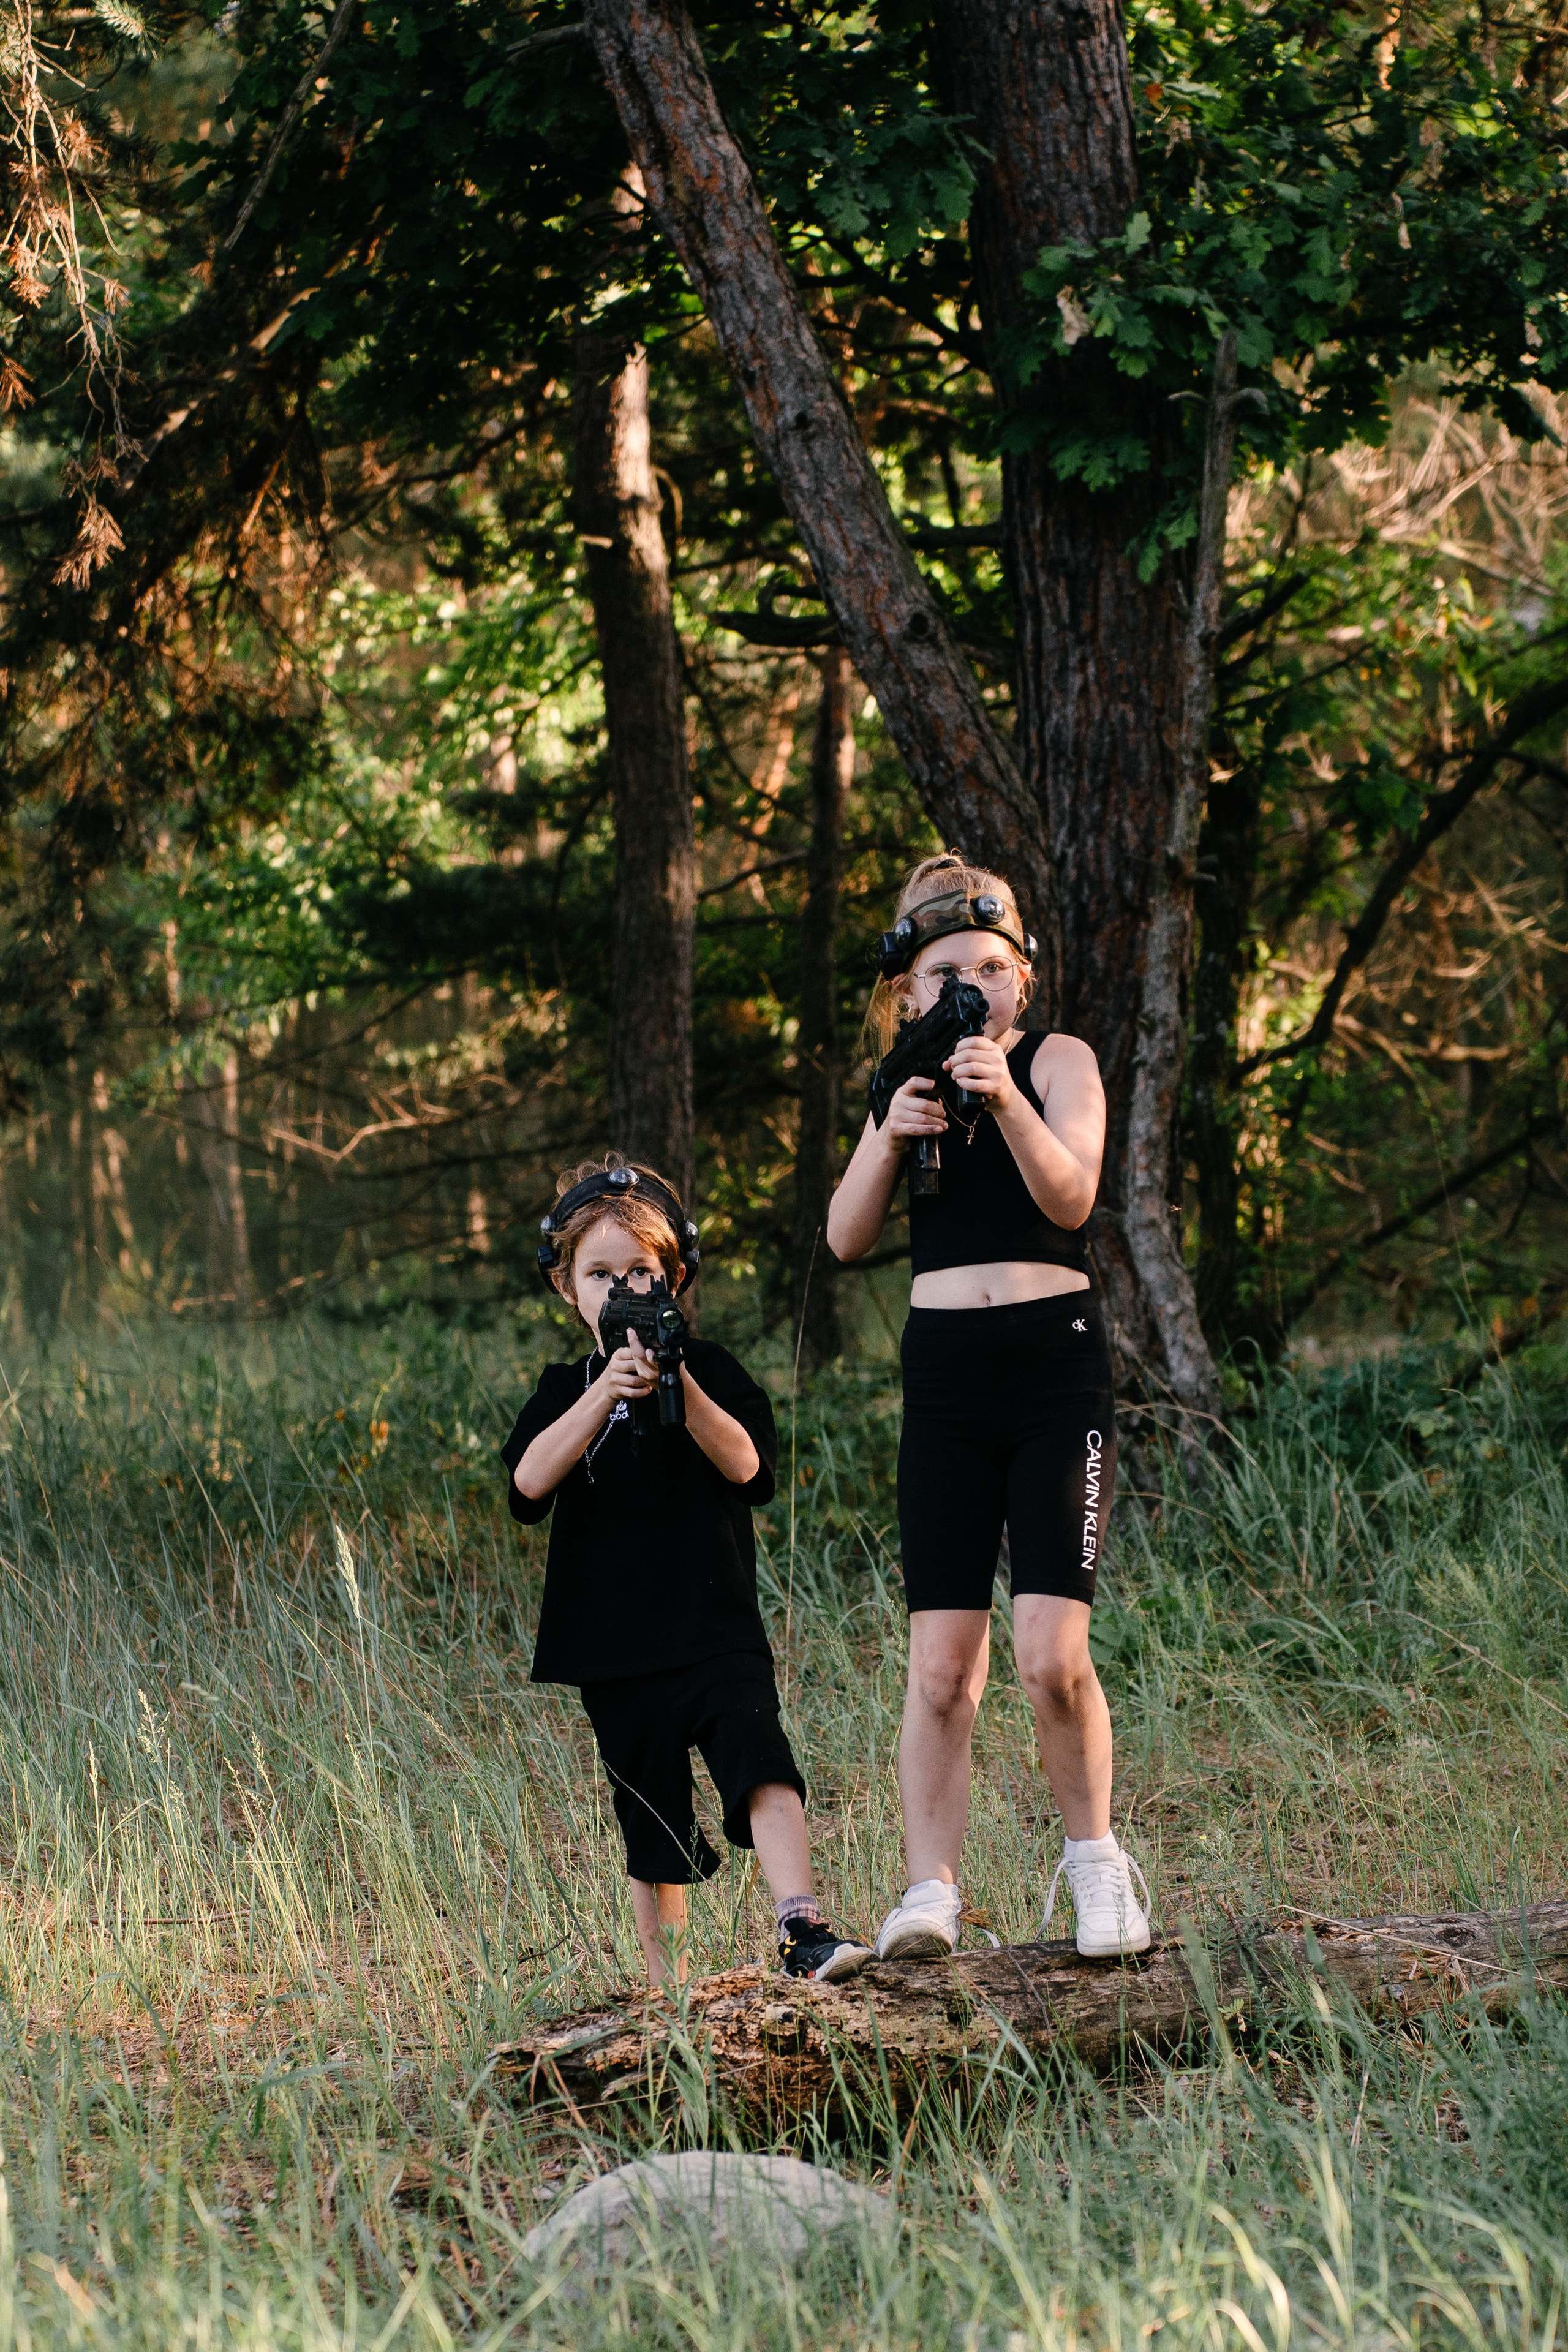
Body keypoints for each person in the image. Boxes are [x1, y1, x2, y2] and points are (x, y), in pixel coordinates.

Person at [826, 854, 1152, 1962]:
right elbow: (844, 1238)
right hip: (947, 1377)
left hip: (1055, 1370)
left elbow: (1072, 1194)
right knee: (941, 1667)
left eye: (992, 970)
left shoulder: (1056, 1061)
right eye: (946, 972)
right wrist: (893, 1126)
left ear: (1023, 980)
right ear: (909, 993)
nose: (971, 988)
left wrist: (1001, 1090)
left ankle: (1097, 1865)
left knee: (1050, 1656)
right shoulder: (898, 1085)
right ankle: (930, 1891)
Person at [502, 1155, 870, 1987]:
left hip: (713, 1628)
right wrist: (605, 1395)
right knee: (650, 1815)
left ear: (674, 1277)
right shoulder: (565, 1388)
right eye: (600, 1275)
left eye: (641, 1272)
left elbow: (749, 1468)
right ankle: (661, 1986)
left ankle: (802, 1926)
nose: (622, 1291)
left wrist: (678, 1381)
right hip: (614, 1646)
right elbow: (527, 1483)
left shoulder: (714, 1370)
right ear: (567, 1289)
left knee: (759, 1755)